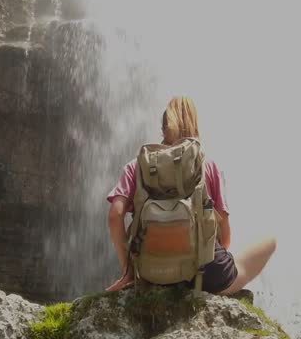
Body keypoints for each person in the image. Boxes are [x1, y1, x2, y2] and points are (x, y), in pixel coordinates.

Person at [105, 96, 276, 294]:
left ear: (163, 128)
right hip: (204, 275)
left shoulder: (136, 166)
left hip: (151, 274)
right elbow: (225, 237)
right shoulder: (208, 165)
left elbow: (114, 216)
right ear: (195, 125)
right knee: (270, 241)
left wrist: (129, 269)